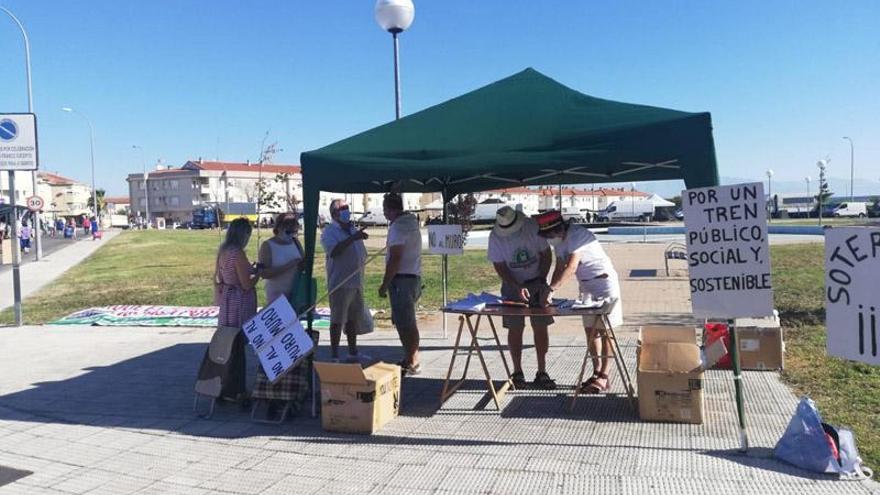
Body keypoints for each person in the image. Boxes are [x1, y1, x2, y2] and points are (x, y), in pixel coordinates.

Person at [538, 209, 623, 394]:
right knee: (591, 331)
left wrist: (552, 289)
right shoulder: (559, 242)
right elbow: (559, 266)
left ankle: (605, 375)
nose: (550, 239)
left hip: (604, 283)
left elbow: (571, 266)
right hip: (586, 287)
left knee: (605, 330)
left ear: (559, 229)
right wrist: (548, 289)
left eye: (550, 235)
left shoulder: (577, 234)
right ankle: (596, 370)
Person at [488, 206, 556, 389]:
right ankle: (517, 371)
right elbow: (500, 266)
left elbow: (546, 255)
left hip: (537, 279)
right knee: (514, 327)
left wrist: (540, 281)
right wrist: (515, 286)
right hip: (511, 285)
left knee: (540, 326)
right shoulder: (494, 237)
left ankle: (542, 371)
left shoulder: (532, 227)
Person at [212, 218, 261, 402]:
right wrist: (258, 275)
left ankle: (223, 387)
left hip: (227, 302)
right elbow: (246, 284)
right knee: (238, 348)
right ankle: (237, 390)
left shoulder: (224, 250)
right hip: (239, 303)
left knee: (227, 348)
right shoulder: (237, 252)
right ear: (244, 234)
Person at [379, 192, 422, 375]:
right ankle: (411, 357)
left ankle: (412, 361)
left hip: (401, 280)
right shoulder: (412, 223)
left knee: (405, 323)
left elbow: (395, 259)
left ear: (390, 209)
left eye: (385, 210)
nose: (384, 214)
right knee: (407, 321)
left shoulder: (397, 228)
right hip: (413, 276)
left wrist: (384, 283)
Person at [321, 199, 369, 362]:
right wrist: (353, 238)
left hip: (356, 281)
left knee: (352, 319)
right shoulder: (329, 231)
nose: (347, 210)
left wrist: (356, 237)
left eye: (348, 207)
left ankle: (353, 351)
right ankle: (334, 354)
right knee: (337, 319)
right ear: (334, 213)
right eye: (343, 208)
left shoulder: (351, 228)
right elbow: (334, 251)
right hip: (340, 282)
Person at [258, 212, 304, 304]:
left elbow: (302, 263)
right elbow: (264, 274)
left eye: (294, 232)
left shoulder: (296, 242)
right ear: (279, 228)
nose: (291, 235)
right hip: (276, 294)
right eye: (288, 232)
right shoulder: (267, 245)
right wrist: (290, 265)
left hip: (296, 292)